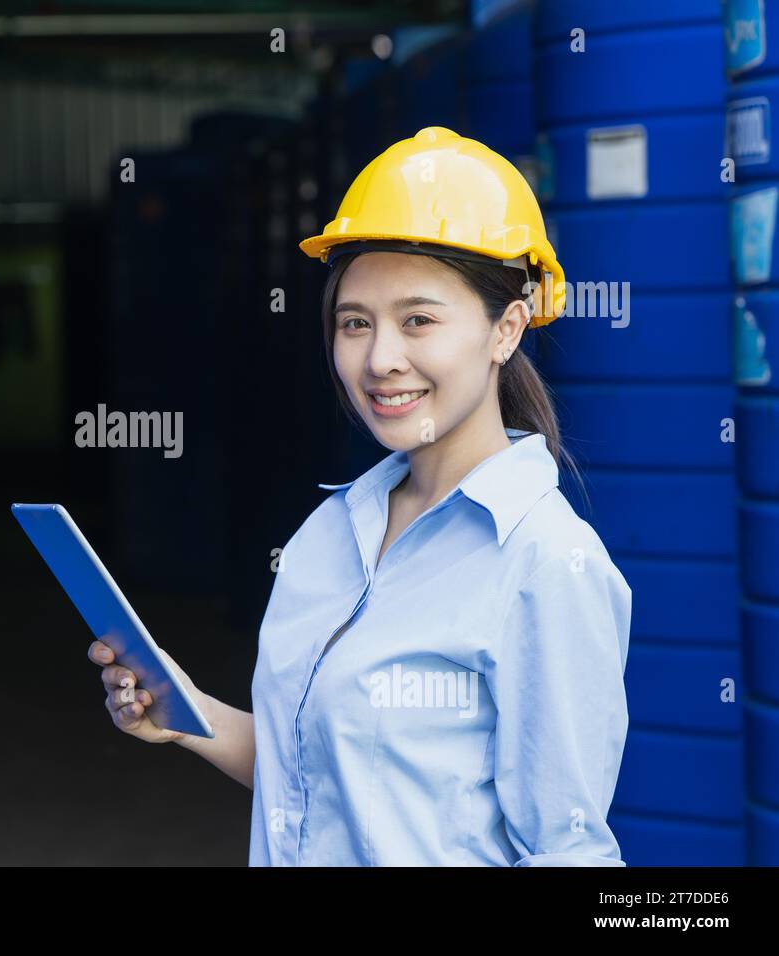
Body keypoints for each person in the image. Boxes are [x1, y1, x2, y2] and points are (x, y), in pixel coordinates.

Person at [87, 127, 632, 866]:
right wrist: (187, 713)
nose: (380, 359)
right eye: (355, 323)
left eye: (418, 321)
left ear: (506, 329)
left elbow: (569, 853)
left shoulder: (546, 562)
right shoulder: (331, 529)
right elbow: (315, 779)